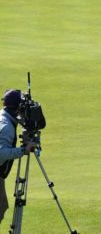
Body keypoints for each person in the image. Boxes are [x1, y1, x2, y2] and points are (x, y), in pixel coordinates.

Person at [0, 90, 35, 223]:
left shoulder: (4, 118)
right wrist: (23, 150)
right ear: (17, 109)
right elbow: (1, 153)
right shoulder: (7, 126)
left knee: (2, 206)